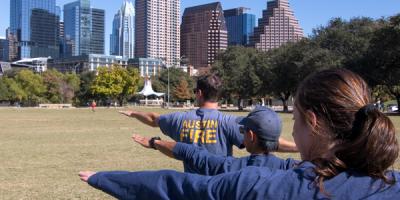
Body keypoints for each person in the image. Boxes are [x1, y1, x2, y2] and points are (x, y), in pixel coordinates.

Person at [80, 69, 400, 199]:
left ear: (313, 121)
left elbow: (182, 184)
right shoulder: (390, 184)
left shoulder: (262, 184)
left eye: (297, 119)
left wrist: (103, 176)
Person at [119, 74, 296, 172]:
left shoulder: (179, 119)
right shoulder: (229, 122)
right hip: (222, 186)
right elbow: (266, 139)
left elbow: (153, 119)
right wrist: (299, 147)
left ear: (199, 93)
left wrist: (134, 113)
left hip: (191, 188)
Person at [130, 106, 298, 176]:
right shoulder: (290, 168)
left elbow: (190, 154)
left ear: (252, 136)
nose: (241, 133)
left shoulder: (231, 168)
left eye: (243, 130)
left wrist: (154, 143)